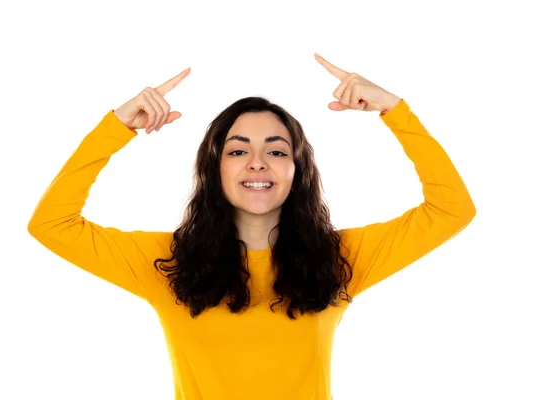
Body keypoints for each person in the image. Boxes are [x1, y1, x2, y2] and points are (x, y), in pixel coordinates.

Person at [27, 53, 476, 400]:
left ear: (297, 170)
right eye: (238, 150)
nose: (258, 162)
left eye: (277, 151)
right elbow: (51, 224)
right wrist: (117, 127)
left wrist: (394, 109)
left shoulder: (341, 257)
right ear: (214, 167)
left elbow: (451, 209)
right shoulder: (165, 262)